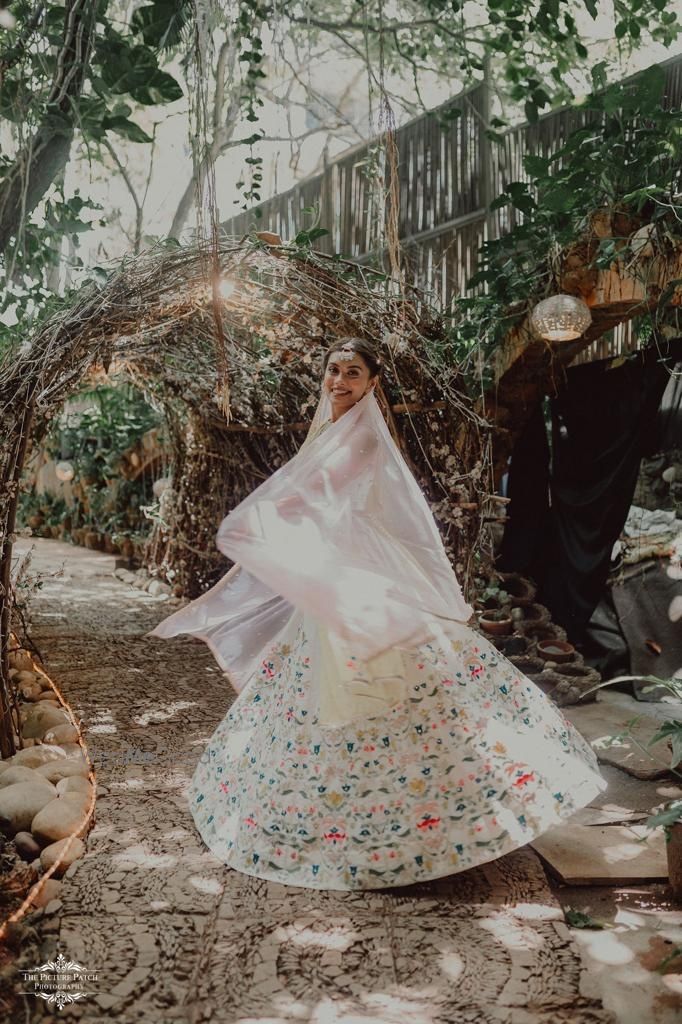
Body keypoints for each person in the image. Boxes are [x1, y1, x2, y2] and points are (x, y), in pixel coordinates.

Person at [148, 337, 606, 890]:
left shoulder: (360, 436)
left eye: (353, 373)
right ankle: (350, 823)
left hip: (357, 584)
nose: (340, 382)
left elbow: (326, 506)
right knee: (317, 702)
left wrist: (264, 524)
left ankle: (418, 830)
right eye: (333, 371)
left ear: (372, 384)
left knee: (389, 698)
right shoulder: (332, 432)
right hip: (337, 583)